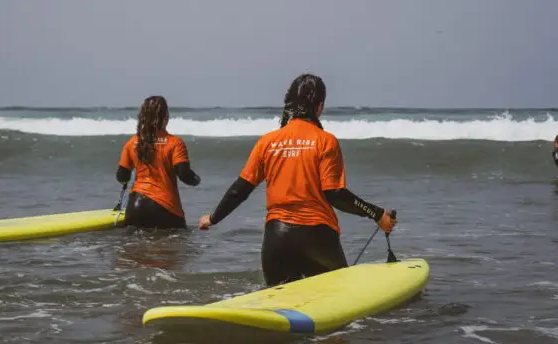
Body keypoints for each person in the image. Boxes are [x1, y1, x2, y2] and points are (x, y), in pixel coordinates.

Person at [198, 74, 397, 287]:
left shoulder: (268, 142)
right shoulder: (325, 141)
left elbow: (240, 189)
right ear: (319, 107)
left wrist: (213, 218)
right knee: (336, 298)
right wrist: (376, 214)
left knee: (281, 307)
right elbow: (335, 194)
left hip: (277, 240)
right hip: (318, 239)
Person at [115, 95, 201, 229]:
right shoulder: (175, 143)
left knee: (133, 249)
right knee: (175, 247)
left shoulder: (132, 143)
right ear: (165, 117)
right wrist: (196, 180)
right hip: (165, 209)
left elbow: (121, 176)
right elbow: (184, 174)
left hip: (135, 208)